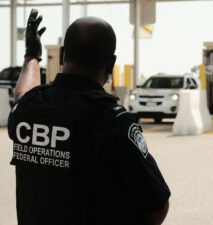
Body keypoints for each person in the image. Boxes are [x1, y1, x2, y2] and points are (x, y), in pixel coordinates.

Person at [7, 9, 170, 225]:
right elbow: (156, 206)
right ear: (111, 65)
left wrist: (32, 56)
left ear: (63, 54)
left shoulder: (28, 109)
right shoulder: (112, 122)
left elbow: (22, 94)